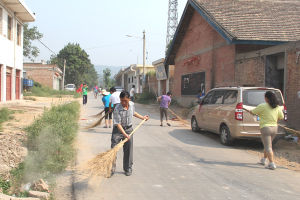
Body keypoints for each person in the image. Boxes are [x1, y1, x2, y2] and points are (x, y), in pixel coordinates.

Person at [111, 91, 149, 176]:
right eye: (121, 101)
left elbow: (133, 113)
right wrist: (125, 135)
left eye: (125, 101)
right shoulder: (117, 108)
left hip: (129, 129)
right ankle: (111, 168)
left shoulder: (131, 104)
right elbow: (118, 124)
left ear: (129, 99)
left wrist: (142, 117)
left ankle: (127, 168)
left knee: (128, 150)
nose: (123, 103)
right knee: (114, 149)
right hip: (118, 130)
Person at [249, 91, 284, 170]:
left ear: (267, 98)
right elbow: (281, 117)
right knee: (268, 144)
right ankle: (264, 159)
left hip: (265, 128)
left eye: (265, 97)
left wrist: (251, 112)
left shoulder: (263, 106)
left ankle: (272, 163)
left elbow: (253, 112)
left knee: (268, 146)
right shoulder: (277, 107)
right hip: (275, 128)